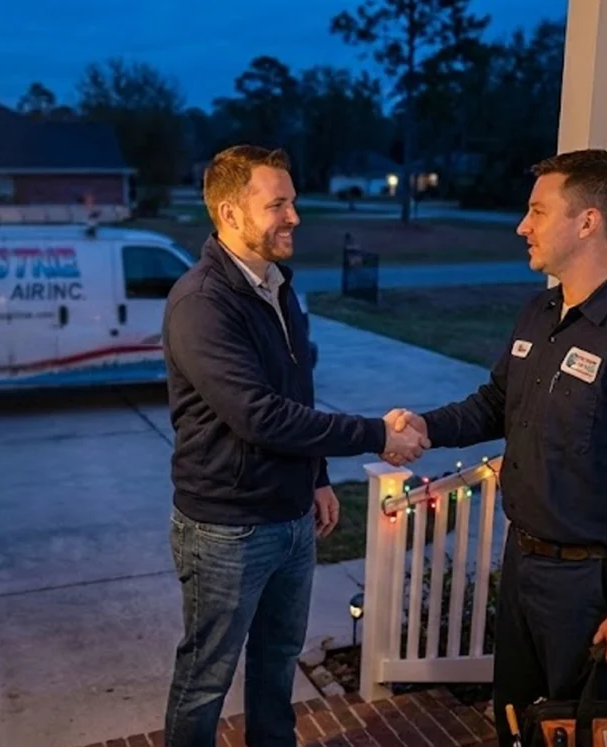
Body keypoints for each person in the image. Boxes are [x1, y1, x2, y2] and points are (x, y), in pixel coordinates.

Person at [386, 149, 607, 746]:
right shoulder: (541, 311)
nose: (521, 225)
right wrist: (423, 427)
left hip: (590, 588)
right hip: (525, 567)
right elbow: (494, 402)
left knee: (588, 732)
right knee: (518, 723)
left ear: (587, 221)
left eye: (536, 211)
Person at [162, 144, 428, 747]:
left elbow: (296, 389)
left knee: (278, 658)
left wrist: (318, 476)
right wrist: (376, 434)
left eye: (294, 201)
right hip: (226, 529)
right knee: (205, 678)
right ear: (230, 213)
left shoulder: (276, 284)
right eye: (278, 203)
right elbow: (259, 417)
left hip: (290, 516)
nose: (294, 217)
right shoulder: (202, 303)